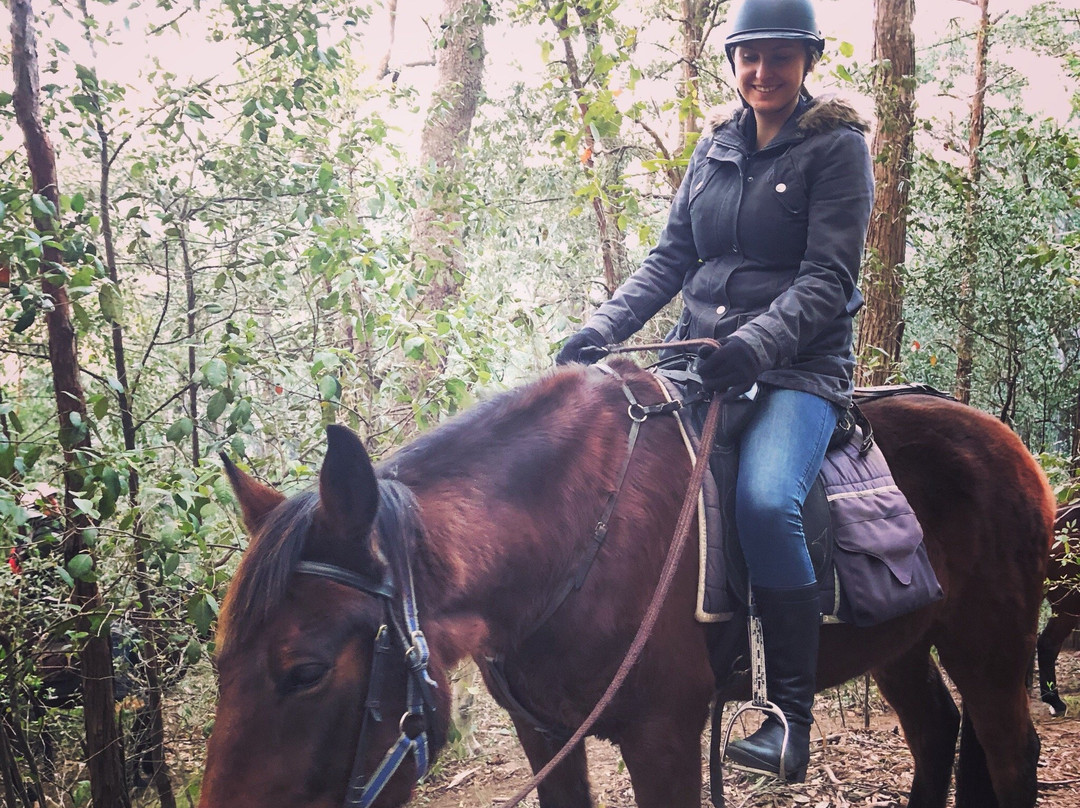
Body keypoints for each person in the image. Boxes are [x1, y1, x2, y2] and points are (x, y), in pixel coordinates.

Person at [555, 0, 874, 783]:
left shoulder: (837, 149)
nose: (761, 71)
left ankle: (788, 720)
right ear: (731, 62)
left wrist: (758, 345)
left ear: (808, 59)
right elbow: (671, 259)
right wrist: (602, 328)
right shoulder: (715, 145)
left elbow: (829, 279)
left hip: (798, 368)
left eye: (778, 55)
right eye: (747, 56)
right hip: (704, 361)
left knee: (766, 499)